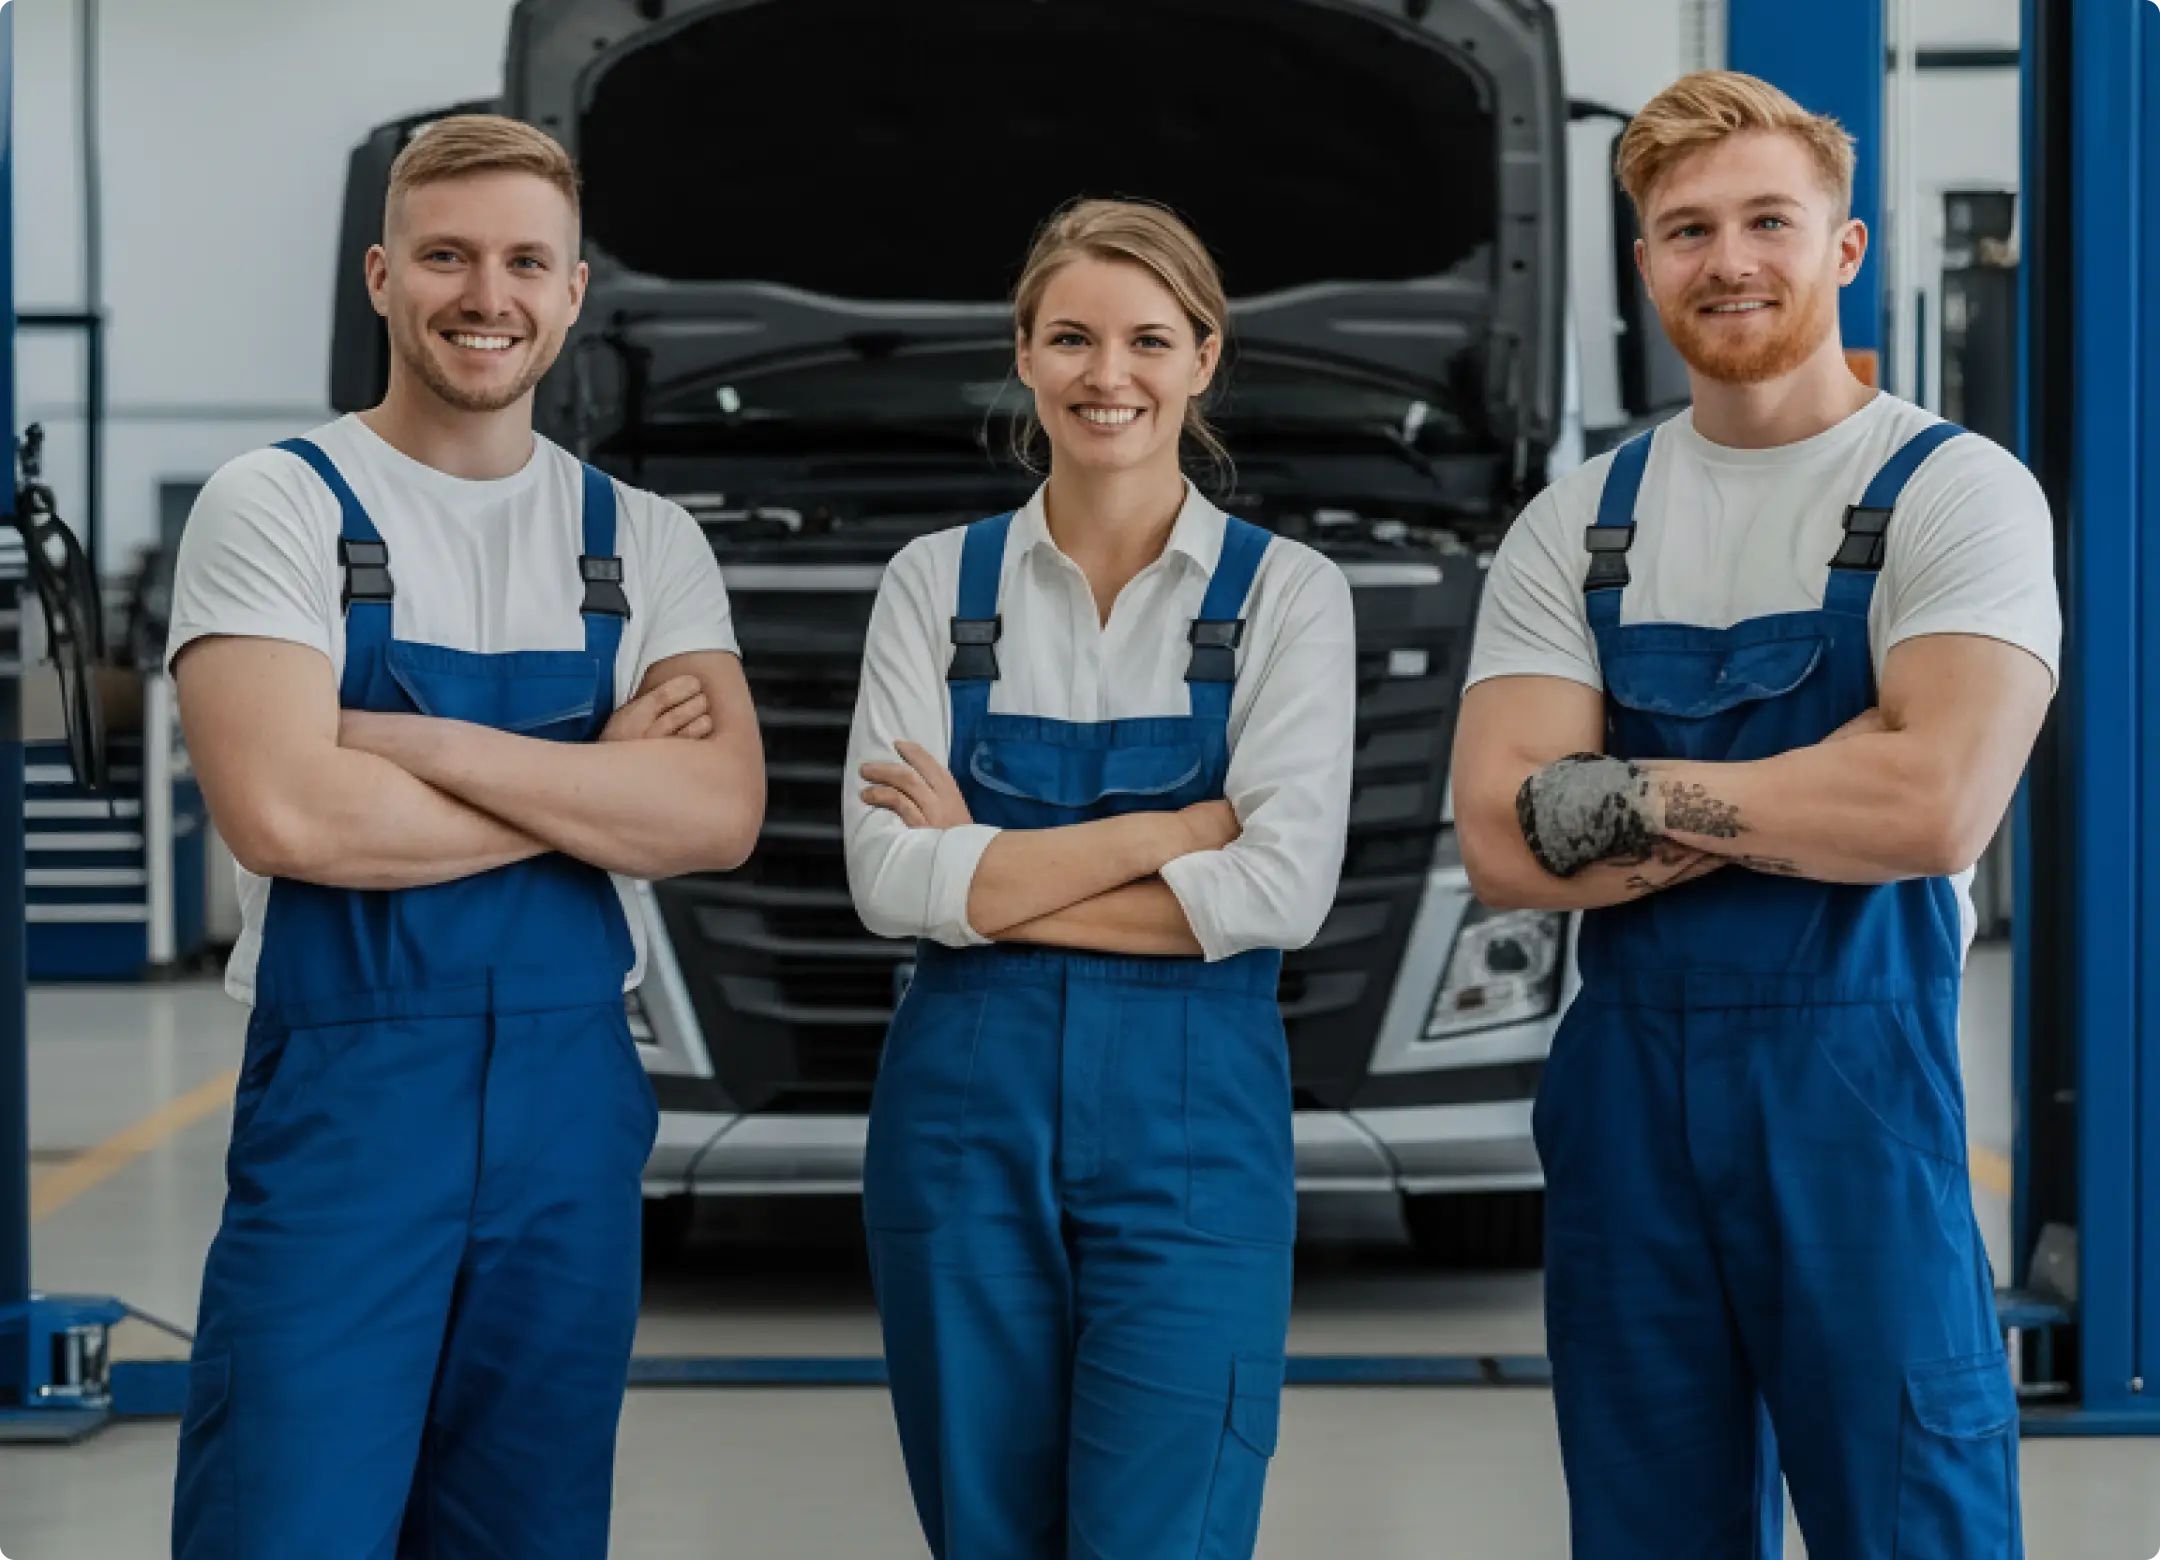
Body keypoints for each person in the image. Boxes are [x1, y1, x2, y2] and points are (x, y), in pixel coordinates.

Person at [1455, 71, 2055, 1558]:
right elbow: (1506, 843)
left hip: (1857, 1097)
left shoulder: (1956, 494)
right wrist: (1819, 781)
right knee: (1647, 1524)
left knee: (1913, 1518)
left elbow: (1931, 805)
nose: (1729, 260)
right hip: (1624, 1111)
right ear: (1646, 261)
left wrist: (1621, 794)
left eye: (1769, 221)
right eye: (1688, 229)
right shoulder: (1577, 523)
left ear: (1844, 248)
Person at [165, 116, 764, 1558]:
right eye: (445, 256)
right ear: (381, 276)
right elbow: (288, 811)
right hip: (349, 1113)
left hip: (574, 1113)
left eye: (524, 262)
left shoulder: (644, 539)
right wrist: (592, 785)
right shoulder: (279, 506)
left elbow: (714, 812)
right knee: (285, 1521)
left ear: (572, 293)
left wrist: (408, 743)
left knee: (529, 1530)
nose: (486, 295)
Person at [842, 198, 1356, 1558]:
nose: (1106, 374)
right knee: (986, 1529)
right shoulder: (933, 586)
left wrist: (985, 873)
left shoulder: (1290, 595)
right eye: (1070, 337)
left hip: (1194, 1135)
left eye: (1147, 340)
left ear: (1204, 357)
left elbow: (1280, 893)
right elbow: (890, 881)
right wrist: (1170, 832)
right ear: (1024, 353)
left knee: (1164, 1530)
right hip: (963, 1125)